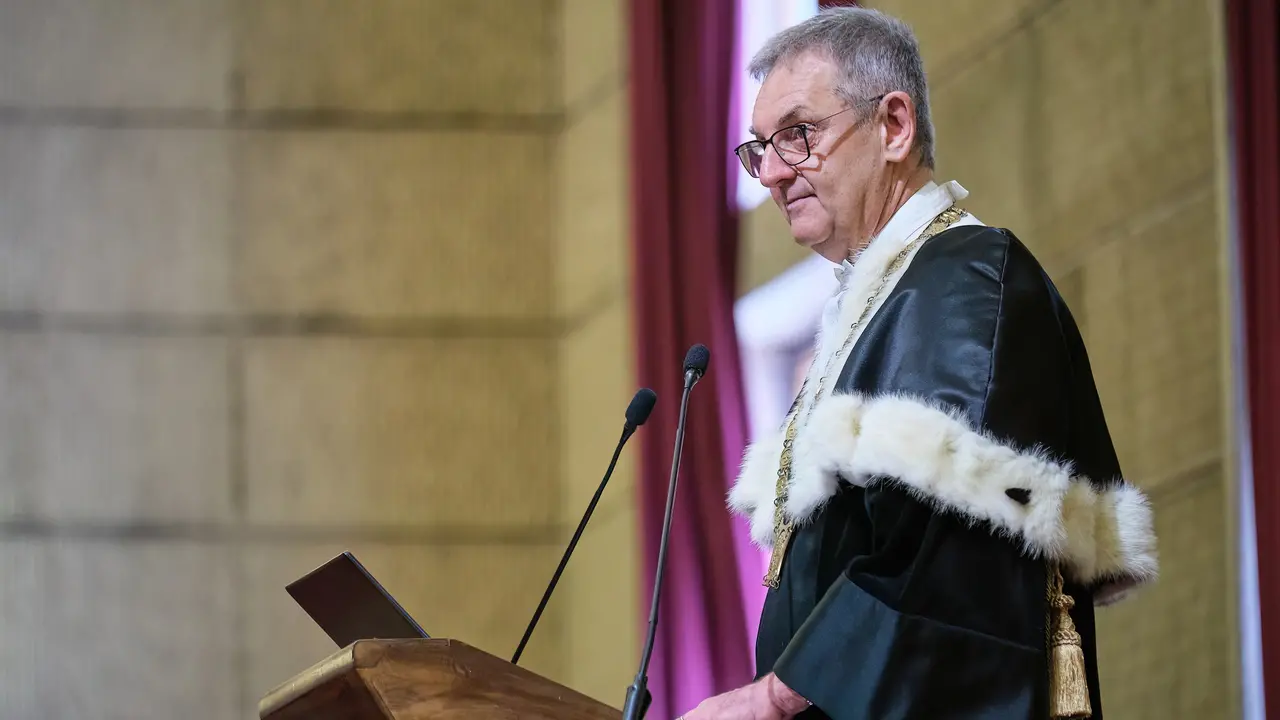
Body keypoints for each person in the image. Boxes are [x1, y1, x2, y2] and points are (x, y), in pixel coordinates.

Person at [680, 7, 1158, 720]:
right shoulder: (877, 300)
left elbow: (941, 562)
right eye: (759, 149)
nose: (773, 173)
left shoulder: (962, 281)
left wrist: (774, 700)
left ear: (894, 126)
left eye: (797, 136)